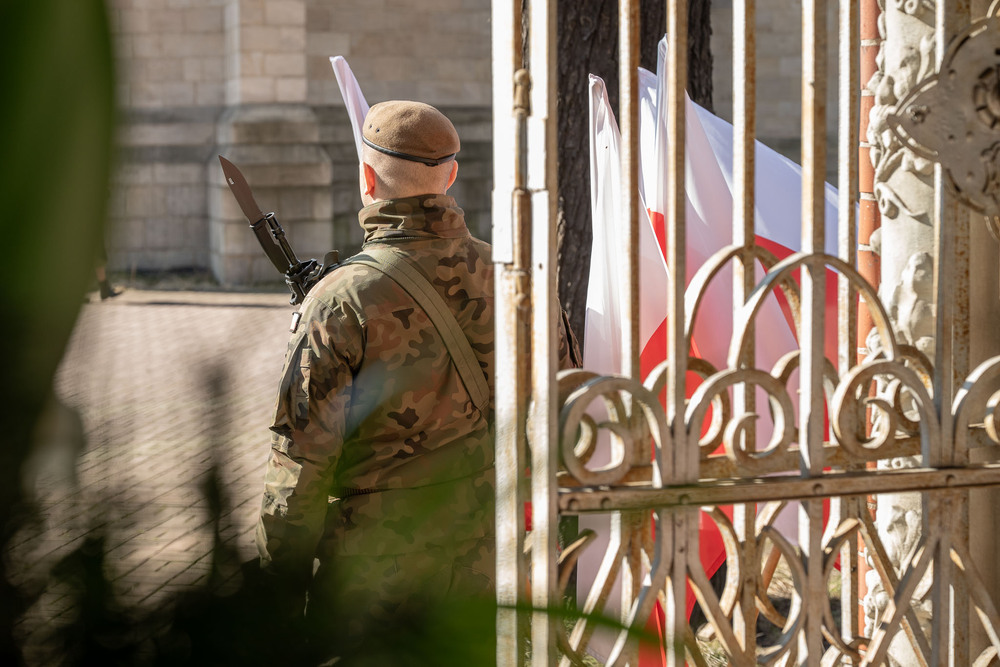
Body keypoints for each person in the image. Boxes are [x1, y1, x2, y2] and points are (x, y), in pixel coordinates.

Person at [254, 100, 580, 659]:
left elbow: (299, 467)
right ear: (451, 177)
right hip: (495, 563)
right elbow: (566, 413)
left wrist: (274, 597)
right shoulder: (519, 282)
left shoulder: (339, 301)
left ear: (367, 178)